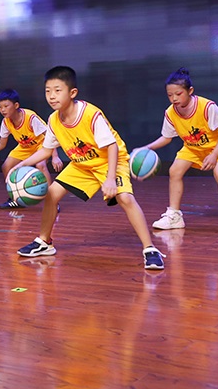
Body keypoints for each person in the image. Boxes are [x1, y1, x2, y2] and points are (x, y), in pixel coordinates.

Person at [14, 66, 165, 271]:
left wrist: (110, 179)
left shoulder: (90, 114)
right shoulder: (53, 120)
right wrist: (23, 163)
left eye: (57, 90)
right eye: (48, 91)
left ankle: (150, 249)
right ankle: (44, 242)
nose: (51, 96)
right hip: (82, 165)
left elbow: (112, 147)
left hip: (110, 161)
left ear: (72, 92)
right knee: (51, 194)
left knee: (125, 198)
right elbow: (47, 150)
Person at [136, 68, 218, 234]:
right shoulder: (170, 113)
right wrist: (146, 148)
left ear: (190, 91)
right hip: (193, 147)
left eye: (178, 94)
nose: (174, 98)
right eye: (170, 95)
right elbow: (166, 138)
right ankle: (175, 216)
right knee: (174, 171)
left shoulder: (207, 107)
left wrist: (214, 154)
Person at [0, 89, 57, 208]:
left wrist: (55, 157)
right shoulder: (6, 122)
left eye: (6, 106)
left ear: (16, 105)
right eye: (0, 107)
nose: (3, 110)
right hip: (24, 147)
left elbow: (49, 136)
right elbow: (1, 144)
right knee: (6, 166)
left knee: (41, 165)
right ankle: (16, 198)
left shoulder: (30, 117)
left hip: (41, 145)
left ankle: (52, 201)